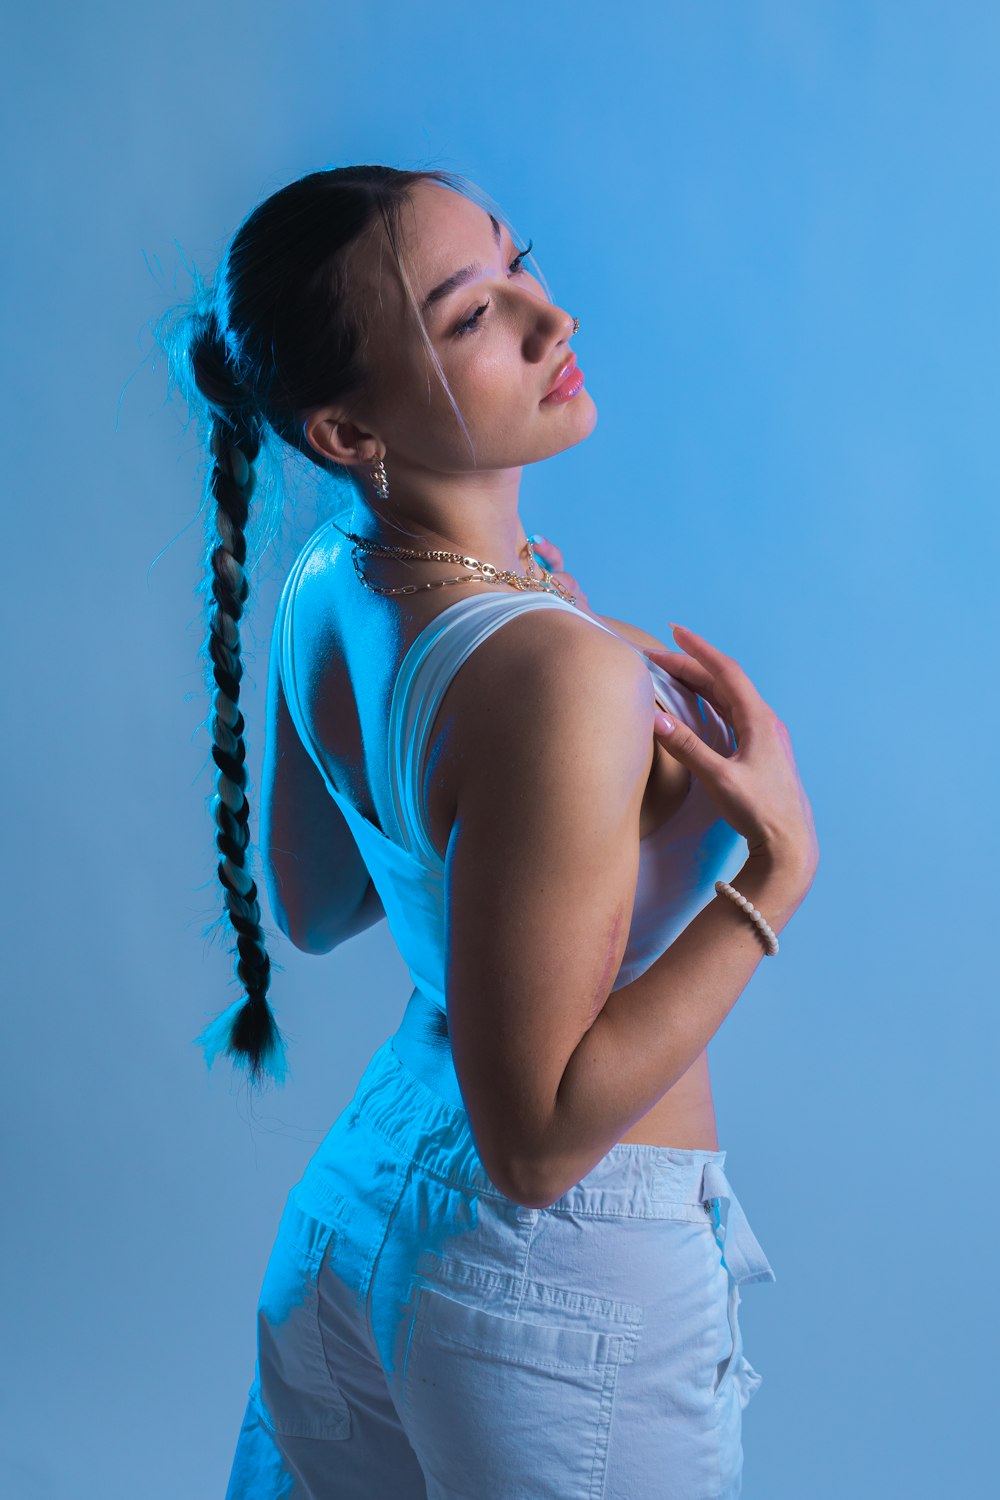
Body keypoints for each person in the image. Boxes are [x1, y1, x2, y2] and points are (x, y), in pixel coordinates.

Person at [162, 164, 818, 1498]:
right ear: (347, 432)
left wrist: (564, 671)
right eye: (472, 316)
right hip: (555, 1284)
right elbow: (535, 1143)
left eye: (524, 263)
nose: (551, 315)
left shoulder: (327, 581)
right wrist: (773, 883)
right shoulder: (551, 675)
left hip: (362, 1223)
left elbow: (321, 902)